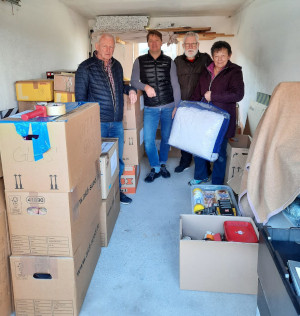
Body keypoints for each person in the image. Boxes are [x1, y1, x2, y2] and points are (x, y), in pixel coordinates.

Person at [75, 33, 137, 204]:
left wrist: (130, 89)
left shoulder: (117, 66)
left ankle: (117, 192)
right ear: (97, 46)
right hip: (98, 123)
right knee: (96, 161)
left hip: (116, 122)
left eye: (111, 47)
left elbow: (120, 86)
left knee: (117, 160)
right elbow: (79, 100)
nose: (108, 50)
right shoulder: (85, 68)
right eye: (105, 46)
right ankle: (97, 197)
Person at [189, 40, 244, 185]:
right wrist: (190, 107)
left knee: (219, 153)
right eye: (216, 55)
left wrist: (213, 96)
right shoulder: (206, 71)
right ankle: (201, 176)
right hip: (205, 117)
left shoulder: (235, 72)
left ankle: (217, 183)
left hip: (222, 119)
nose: (220, 59)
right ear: (212, 56)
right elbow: (197, 92)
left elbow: (238, 94)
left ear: (229, 55)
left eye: (223, 56)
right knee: (199, 148)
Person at [130, 30, 181, 183]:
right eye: (151, 40)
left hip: (168, 105)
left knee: (166, 137)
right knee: (148, 139)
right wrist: (145, 87)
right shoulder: (139, 61)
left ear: (161, 42)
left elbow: (175, 85)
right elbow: (133, 81)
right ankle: (155, 167)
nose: (154, 43)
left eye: (157, 40)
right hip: (150, 108)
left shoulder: (169, 61)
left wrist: (177, 106)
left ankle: (163, 163)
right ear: (147, 43)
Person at [174, 31, 212, 173]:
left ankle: (204, 167)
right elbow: (172, 83)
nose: (190, 46)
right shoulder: (177, 61)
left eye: (193, 43)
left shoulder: (206, 59)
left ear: (198, 45)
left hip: (201, 105)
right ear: (183, 45)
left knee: (200, 136)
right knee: (185, 135)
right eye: (187, 44)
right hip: (183, 104)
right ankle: (185, 161)